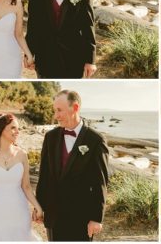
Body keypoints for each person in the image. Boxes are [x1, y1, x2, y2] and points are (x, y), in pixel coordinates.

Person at [36, 90, 109, 241]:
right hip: (54, 215)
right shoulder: (50, 137)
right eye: (55, 110)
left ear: (75, 108)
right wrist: (39, 206)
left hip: (81, 217)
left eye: (59, 110)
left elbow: (100, 182)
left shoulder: (95, 140)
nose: (56, 115)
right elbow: (44, 175)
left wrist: (97, 218)